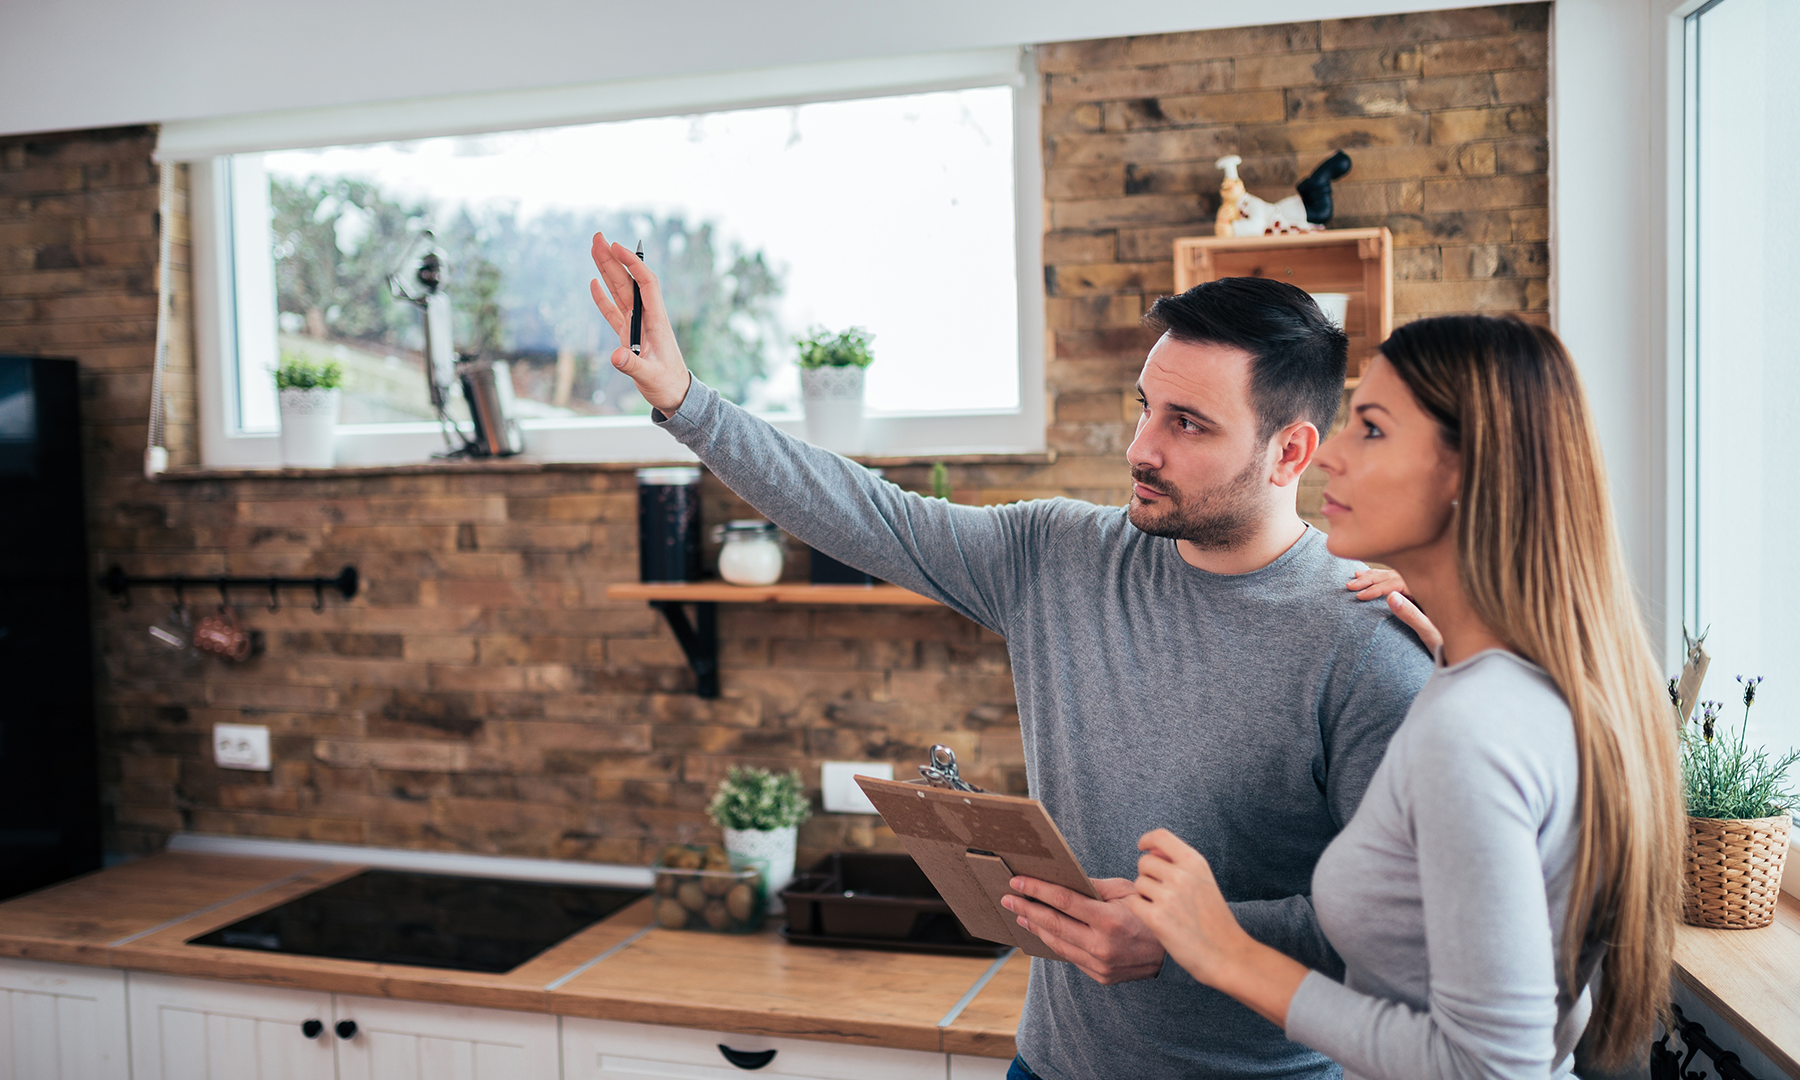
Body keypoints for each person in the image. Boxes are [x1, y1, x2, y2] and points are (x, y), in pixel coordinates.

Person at [589, 232, 1435, 1080]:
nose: (1142, 447)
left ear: (1291, 451)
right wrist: (683, 398)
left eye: (1187, 424)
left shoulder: (1367, 639)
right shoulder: (1059, 554)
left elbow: (1400, 929)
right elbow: (863, 512)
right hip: (1049, 1065)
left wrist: (1185, 937)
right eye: (1145, 407)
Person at [1124, 316, 1683, 1079]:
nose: (1333, 455)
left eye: (1373, 430)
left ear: (1467, 471)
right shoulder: (1529, 687)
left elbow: (1492, 1066)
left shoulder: (1473, 729)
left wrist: (1224, 952)